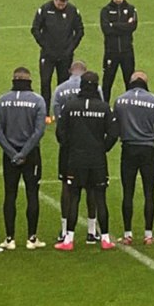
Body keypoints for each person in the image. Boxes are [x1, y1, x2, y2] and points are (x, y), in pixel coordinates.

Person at [55, 71, 119, 251]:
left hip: (76, 159)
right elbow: (114, 132)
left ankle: (69, 239)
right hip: (97, 160)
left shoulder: (70, 106)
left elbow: (60, 133)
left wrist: (70, 146)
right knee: (100, 197)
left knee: (74, 197)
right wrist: (103, 147)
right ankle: (105, 238)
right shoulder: (104, 107)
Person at [0, 67, 47, 251]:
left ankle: (10, 238)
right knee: (32, 194)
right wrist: (24, 153)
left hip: (10, 155)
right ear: (29, 80)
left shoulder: (2, 100)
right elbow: (39, 131)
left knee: (10, 194)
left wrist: (12, 153)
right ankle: (32, 238)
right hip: (30, 154)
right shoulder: (38, 100)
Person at [51, 60, 101, 241]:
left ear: (70, 70)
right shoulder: (97, 89)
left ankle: (64, 230)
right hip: (92, 147)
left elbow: (58, 119)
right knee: (92, 187)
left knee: (67, 186)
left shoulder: (60, 89)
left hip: (69, 148)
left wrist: (66, 142)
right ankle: (91, 230)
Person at [113, 71, 154, 246]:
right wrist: (149, 137)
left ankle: (127, 234)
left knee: (128, 192)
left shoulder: (120, 100)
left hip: (128, 148)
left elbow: (116, 125)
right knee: (149, 192)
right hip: (148, 149)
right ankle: (148, 235)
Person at [32, 0, 85, 108]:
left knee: (64, 83)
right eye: (59, 4)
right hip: (48, 54)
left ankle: (63, 109)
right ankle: (45, 111)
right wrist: (45, 45)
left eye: (63, 4)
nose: (61, 7)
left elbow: (80, 30)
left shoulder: (72, 11)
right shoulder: (45, 9)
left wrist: (71, 48)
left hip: (65, 55)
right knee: (45, 82)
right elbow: (35, 28)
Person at [99, 0, 137, 103]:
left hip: (127, 51)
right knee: (107, 82)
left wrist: (114, 25)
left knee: (130, 81)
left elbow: (133, 27)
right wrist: (124, 25)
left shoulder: (131, 9)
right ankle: (105, 106)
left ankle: (130, 104)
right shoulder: (105, 10)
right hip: (111, 52)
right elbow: (106, 29)